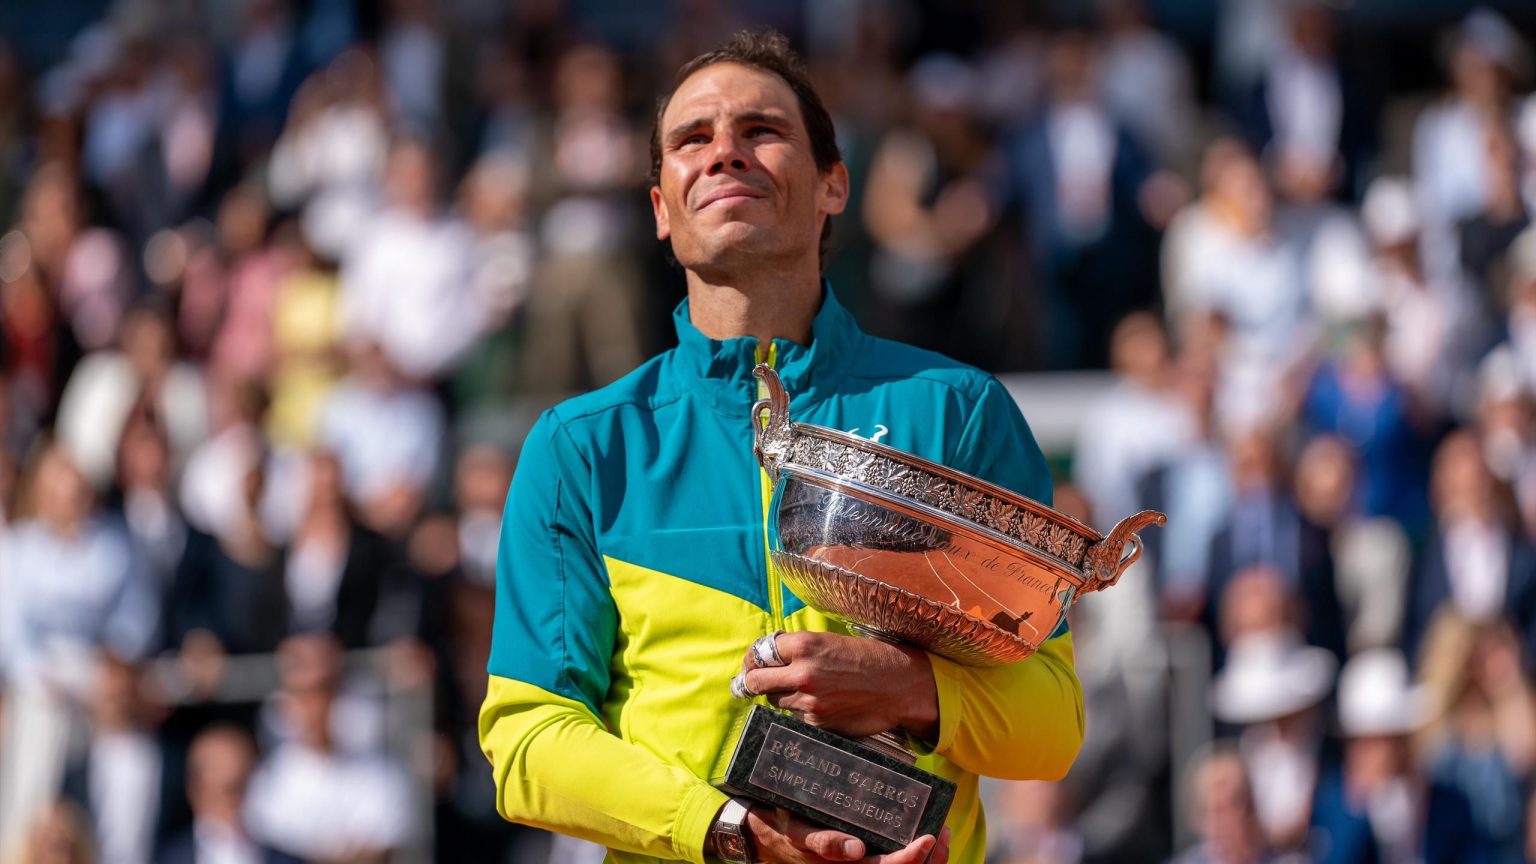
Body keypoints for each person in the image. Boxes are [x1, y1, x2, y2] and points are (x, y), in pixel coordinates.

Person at [479, 29, 1083, 864]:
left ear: (834, 184)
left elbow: (1052, 724)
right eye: (692, 139)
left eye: (761, 130)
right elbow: (527, 743)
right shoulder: (581, 448)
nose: (724, 152)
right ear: (660, 209)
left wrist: (910, 689)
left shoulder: (958, 412)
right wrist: (726, 833)